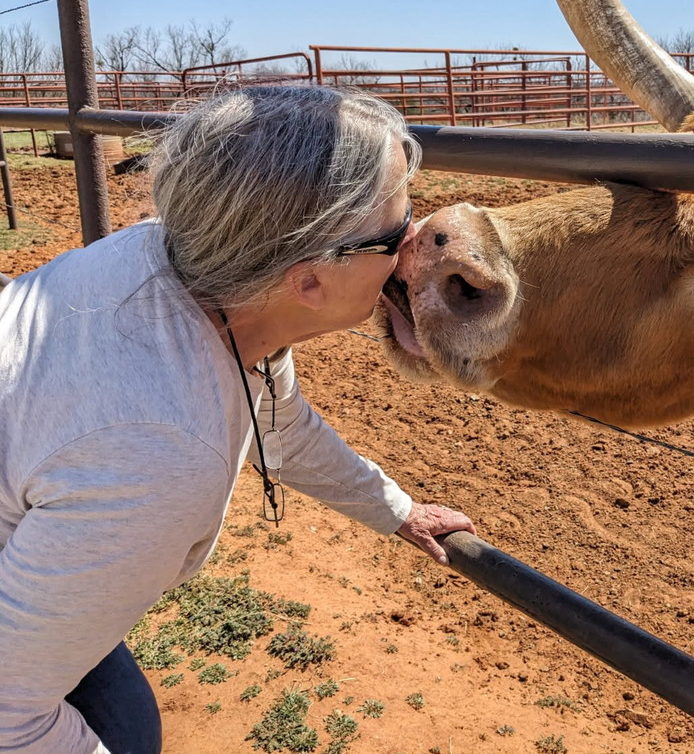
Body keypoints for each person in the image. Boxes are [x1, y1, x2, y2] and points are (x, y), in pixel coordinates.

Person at [0, 86, 477, 754]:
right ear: (307, 283)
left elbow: (277, 421)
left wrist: (394, 508)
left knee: (131, 718)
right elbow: (8, 718)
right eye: (397, 234)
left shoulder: (185, 261)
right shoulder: (161, 451)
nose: (412, 248)